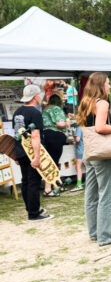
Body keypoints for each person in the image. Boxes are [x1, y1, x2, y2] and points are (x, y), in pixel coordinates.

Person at [76, 72, 111, 246]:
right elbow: (100, 127)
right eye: (107, 83)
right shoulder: (102, 103)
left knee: (91, 195)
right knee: (107, 194)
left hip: (88, 152)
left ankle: (95, 232)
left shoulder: (85, 102)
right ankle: (107, 236)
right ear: (100, 85)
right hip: (101, 153)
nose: (109, 86)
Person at [12, 85, 52, 221]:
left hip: (20, 152)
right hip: (31, 153)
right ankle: (34, 214)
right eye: (39, 95)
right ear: (35, 96)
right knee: (34, 182)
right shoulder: (35, 113)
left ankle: (31, 209)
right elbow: (35, 136)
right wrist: (37, 157)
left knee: (25, 182)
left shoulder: (17, 112)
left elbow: (15, 135)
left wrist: (15, 154)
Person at [42, 94, 71, 197]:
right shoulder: (56, 108)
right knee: (53, 163)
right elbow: (60, 124)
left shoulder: (45, 109)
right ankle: (47, 188)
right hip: (55, 136)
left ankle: (56, 186)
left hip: (45, 135)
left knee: (50, 161)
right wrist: (68, 121)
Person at [71, 125, 84, 192]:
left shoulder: (79, 128)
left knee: (78, 167)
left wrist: (74, 136)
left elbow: (77, 139)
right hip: (87, 149)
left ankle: (79, 184)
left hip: (80, 150)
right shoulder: (87, 127)